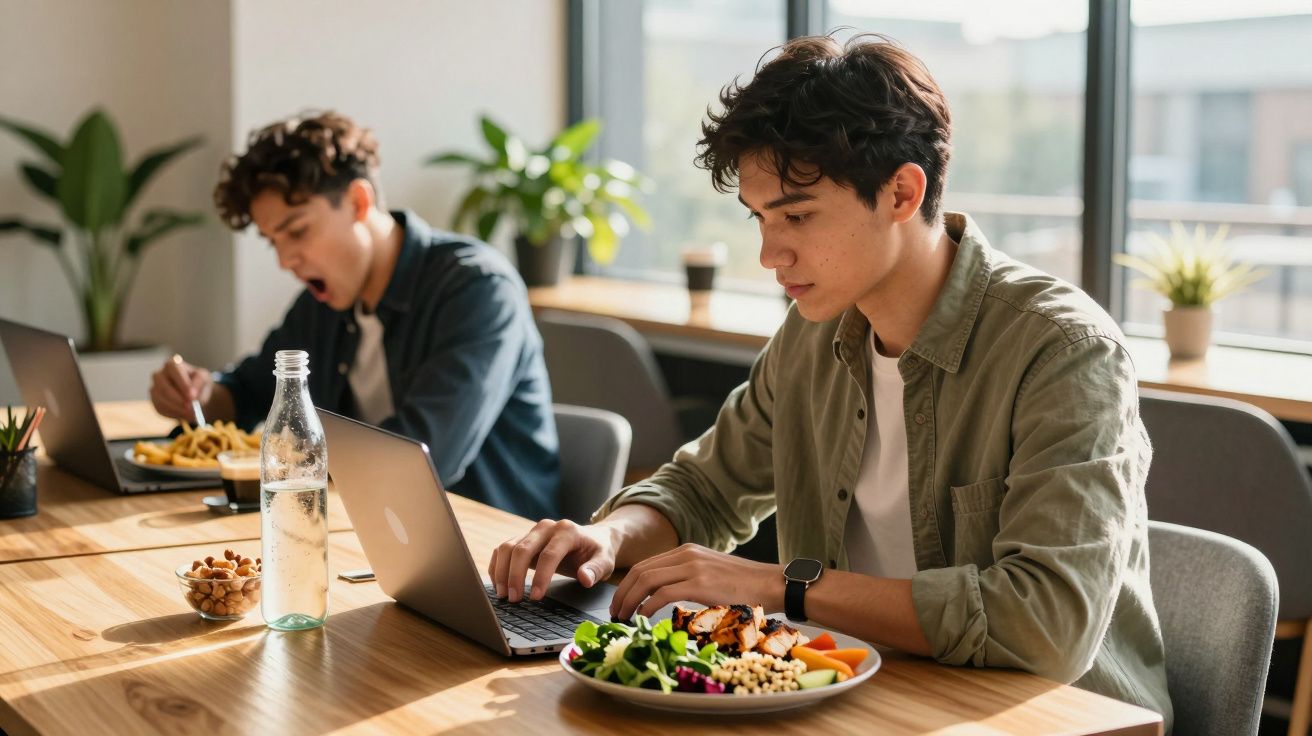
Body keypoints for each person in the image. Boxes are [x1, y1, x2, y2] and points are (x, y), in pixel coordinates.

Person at [488, 34, 1171, 726]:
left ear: (902, 192)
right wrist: (611, 536)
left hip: (1050, 717)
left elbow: (1045, 626)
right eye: (760, 218)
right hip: (864, 698)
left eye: (798, 214)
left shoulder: (1063, 349)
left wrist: (777, 589)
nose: (769, 253)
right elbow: (705, 487)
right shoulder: (815, 331)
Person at [149, 111, 559, 519]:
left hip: (494, 552)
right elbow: (248, 394)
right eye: (273, 241)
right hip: (372, 528)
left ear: (359, 202)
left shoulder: (478, 290)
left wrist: (289, 450)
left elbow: (421, 458)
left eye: (296, 231)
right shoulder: (322, 303)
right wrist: (201, 395)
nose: (285, 260)